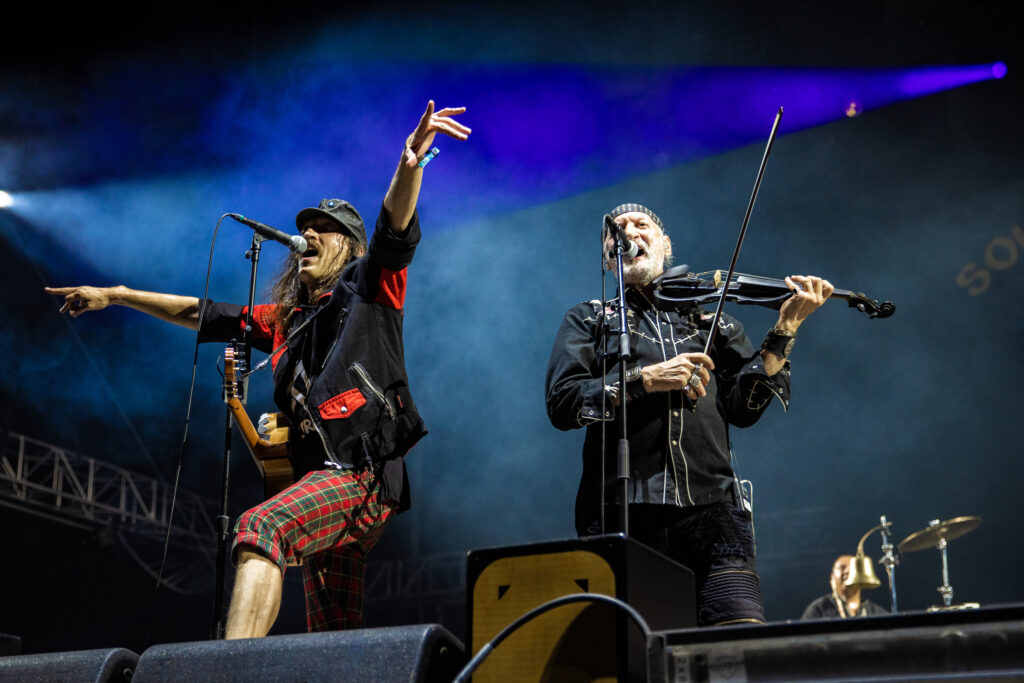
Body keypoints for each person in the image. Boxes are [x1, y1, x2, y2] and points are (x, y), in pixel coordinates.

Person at [46, 100, 471, 638]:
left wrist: (410, 163)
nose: (310, 236)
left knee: (261, 526)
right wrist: (118, 294)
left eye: (326, 229)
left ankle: (227, 672)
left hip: (362, 472)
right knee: (333, 633)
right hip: (321, 477)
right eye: (307, 228)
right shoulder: (286, 319)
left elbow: (394, 229)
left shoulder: (371, 286)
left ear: (351, 247)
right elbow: (202, 312)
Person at [545, 203, 833, 626]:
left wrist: (785, 329)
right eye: (616, 230)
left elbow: (744, 409)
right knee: (637, 656)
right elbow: (563, 403)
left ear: (664, 245)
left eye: (641, 225)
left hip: (715, 517)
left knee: (736, 651)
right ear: (608, 259)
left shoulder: (712, 320)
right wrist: (644, 379)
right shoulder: (589, 319)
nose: (628, 232)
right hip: (623, 513)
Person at [802, 554, 889, 619]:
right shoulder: (819, 609)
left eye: (852, 568)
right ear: (832, 577)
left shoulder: (877, 612)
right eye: (842, 568)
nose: (847, 571)